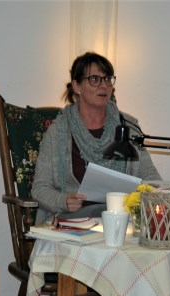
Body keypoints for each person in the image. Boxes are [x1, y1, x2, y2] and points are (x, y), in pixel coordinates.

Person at [31, 52, 161, 225]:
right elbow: (40, 189)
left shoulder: (129, 126)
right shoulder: (57, 132)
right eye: (94, 79)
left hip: (121, 219)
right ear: (77, 86)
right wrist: (63, 200)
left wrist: (143, 198)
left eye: (107, 79)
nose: (104, 86)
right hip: (72, 221)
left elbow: (151, 177)